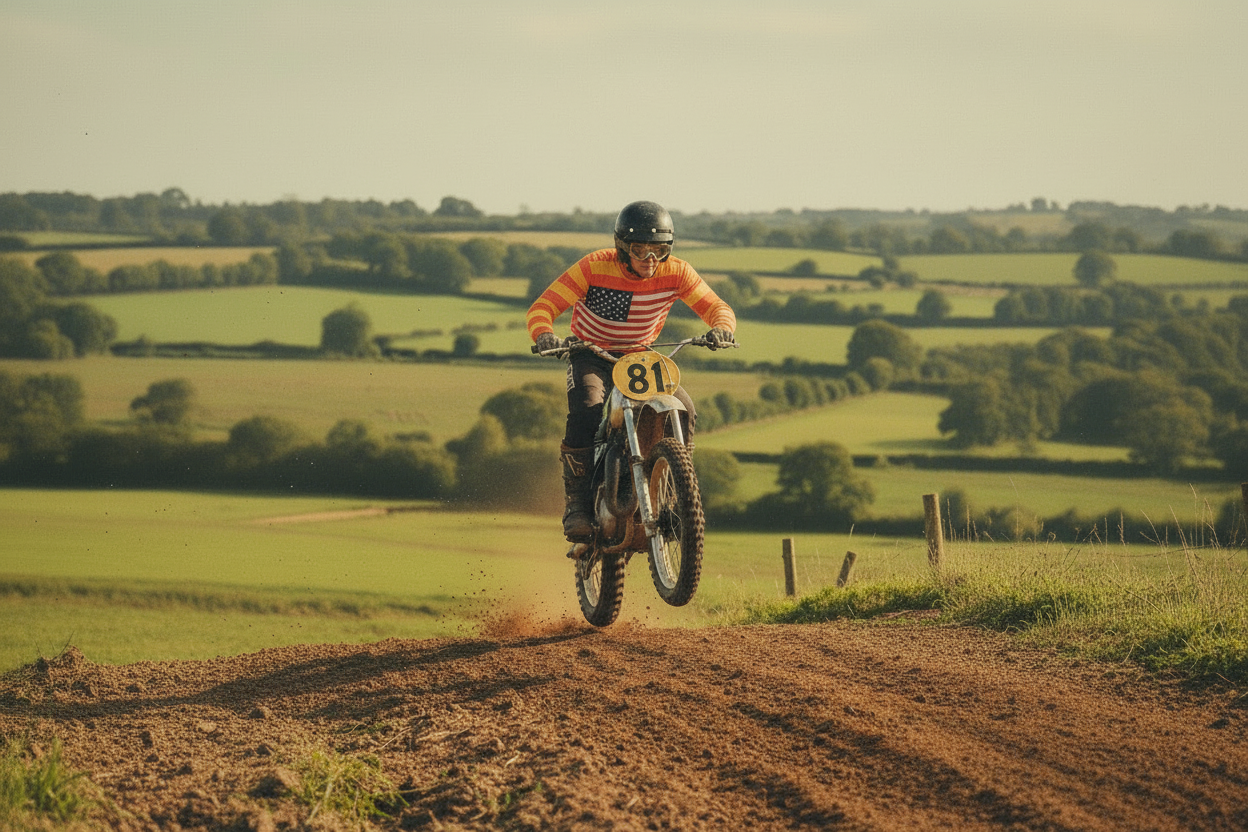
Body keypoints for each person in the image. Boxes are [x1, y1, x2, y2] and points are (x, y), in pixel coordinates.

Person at [527, 200, 736, 542]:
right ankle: (577, 505)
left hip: (640, 356)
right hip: (590, 353)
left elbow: (716, 306)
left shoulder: (678, 272)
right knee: (587, 410)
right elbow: (543, 307)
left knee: (684, 410)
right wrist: (546, 335)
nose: (649, 259)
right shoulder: (593, 267)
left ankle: (673, 495)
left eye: (658, 250)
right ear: (622, 248)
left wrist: (722, 327)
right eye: (639, 250)